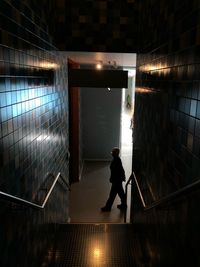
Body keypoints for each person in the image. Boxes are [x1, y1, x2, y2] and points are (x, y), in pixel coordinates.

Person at [101, 147, 127, 212]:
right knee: (121, 193)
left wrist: (112, 179)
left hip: (116, 180)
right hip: (118, 180)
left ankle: (108, 207)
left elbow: (116, 172)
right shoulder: (117, 159)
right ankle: (124, 205)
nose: (111, 153)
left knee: (112, 195)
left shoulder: (116, 160)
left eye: (113, 152)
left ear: (115, 153)